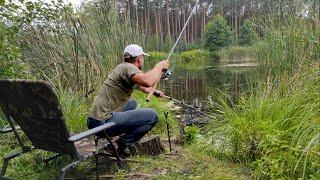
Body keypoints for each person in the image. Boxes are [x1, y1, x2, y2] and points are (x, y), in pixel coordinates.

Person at [87, 44, 169, 157]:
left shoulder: (123, 68)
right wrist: (159, 66)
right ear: (139, 59)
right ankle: (119, 145)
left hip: (94, 120)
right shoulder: (129, 68)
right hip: (102, 123)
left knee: (132, 104)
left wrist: (155, 92)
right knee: (152, 116)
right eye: (143, 58)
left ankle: (119, 139)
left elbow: (141, 86)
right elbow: (147, 81)